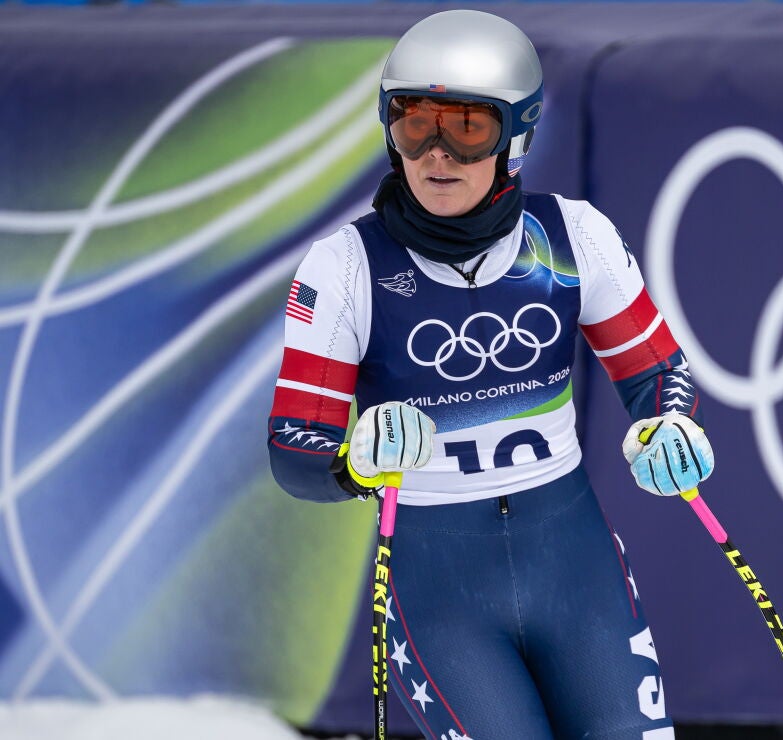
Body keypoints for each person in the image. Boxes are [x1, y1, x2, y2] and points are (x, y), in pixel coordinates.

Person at [266, 9, 714, 739]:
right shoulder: (344, 268)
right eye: (414, 124)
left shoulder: (573, 237)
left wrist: (669, 425)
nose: (436, 154)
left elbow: (659, 372)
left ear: (518, 139)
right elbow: (293, 453)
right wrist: (354, 460)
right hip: (439, 587)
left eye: (467, 128)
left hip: (572, 561)